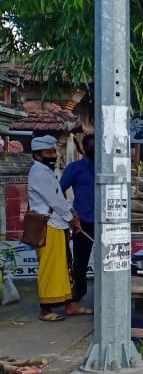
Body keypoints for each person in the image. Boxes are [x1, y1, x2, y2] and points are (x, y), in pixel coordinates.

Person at [26, 135, 83, 322]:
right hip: (48, 224)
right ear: (38, 155)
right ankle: (46, 309)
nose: (53, 155)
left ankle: (70, 304)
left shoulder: (47, 171)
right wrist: (72, 217)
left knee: (65, 266)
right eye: (48, 152)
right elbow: (55, 200)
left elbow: (60, 198)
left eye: (54, 151)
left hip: (58, 223)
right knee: (50, 267)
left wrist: (70, 215)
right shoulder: (38, 172)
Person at [60, 132, 95, 312]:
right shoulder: (75, 168)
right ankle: (77, 295)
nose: (94, 149)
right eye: (91, 146)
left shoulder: (109, 168)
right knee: (80, 261)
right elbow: (59, 189)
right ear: (84, 148)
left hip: (108, 223)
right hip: (83, 222)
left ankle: (107, 290)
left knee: (109, 260)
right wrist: (69, 212)